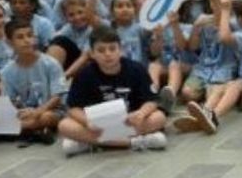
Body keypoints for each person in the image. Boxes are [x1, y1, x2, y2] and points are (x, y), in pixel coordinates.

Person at [57, 27, 168, 155]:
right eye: (101, 50)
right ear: (92, 54)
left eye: (112, 49)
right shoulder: (84, 74)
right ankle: (137, 142)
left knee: (159, 118)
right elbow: (73, 108)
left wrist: (141, 113)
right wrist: (87, 122)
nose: (108, 54)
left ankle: (88, 143)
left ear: (120, 50)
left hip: (129, 121)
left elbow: (151, 100)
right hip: (98, 125)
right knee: (64, 125)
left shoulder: (136, 69)